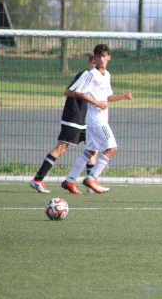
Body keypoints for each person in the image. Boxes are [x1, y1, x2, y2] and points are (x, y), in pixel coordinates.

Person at [60, 44, 133, 194]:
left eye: (103, 56)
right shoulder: (91, 74)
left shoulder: (107, 75)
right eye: (98, 56)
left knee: (90, 151)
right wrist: (96, 103)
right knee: (112, 148)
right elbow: (78, 92)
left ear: (108, 57)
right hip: (96, 120)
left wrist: (122, 96)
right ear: (94, 57)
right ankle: (92, 178)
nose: (101, 59)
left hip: (100, 119)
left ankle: (70, 180)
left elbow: (106, 97)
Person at [29, 55, 99, 194]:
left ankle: (91, 183)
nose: (96, 66)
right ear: (89, 62)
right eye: (94, 62)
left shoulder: (96, 79)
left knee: (94, 148)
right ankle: (37, 179)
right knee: (61, 148)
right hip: (73, 117)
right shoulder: (85, 74)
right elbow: (67, 91)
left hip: (85, 120)